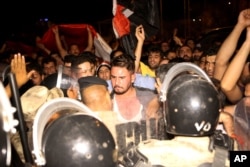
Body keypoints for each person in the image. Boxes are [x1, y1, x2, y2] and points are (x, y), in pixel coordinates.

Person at [110, 53, 161, 155]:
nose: (116, 82)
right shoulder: (106, 102)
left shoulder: (149, 97)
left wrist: (160, 100)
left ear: (133, 77)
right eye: (113, 77)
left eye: (122, 78)